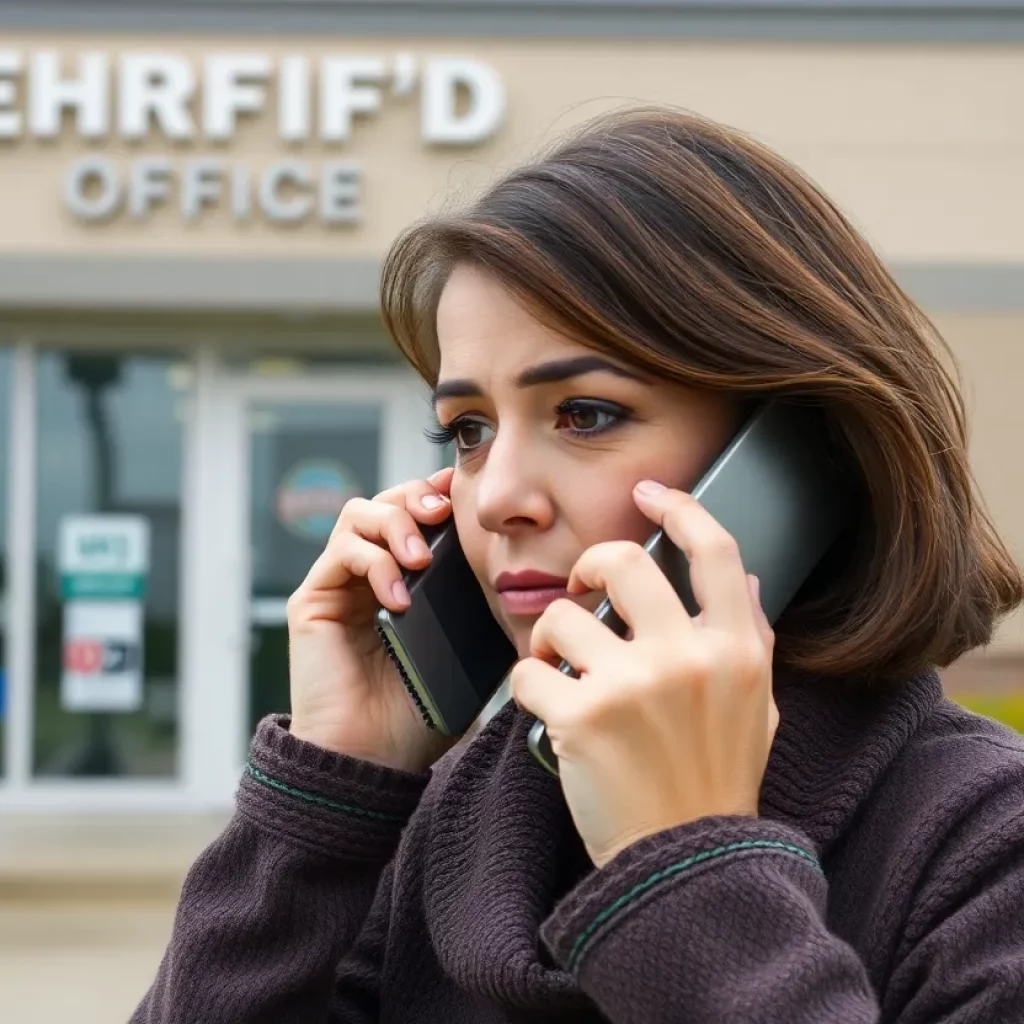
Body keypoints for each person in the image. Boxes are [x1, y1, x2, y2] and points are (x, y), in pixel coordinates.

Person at [133, 108, 1024, 1024]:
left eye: (585, 414)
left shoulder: (985, 845)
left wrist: (687, 858)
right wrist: (321, 803)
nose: (493, 498)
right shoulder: (452, 828)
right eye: (468, 430)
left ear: (800, 456)